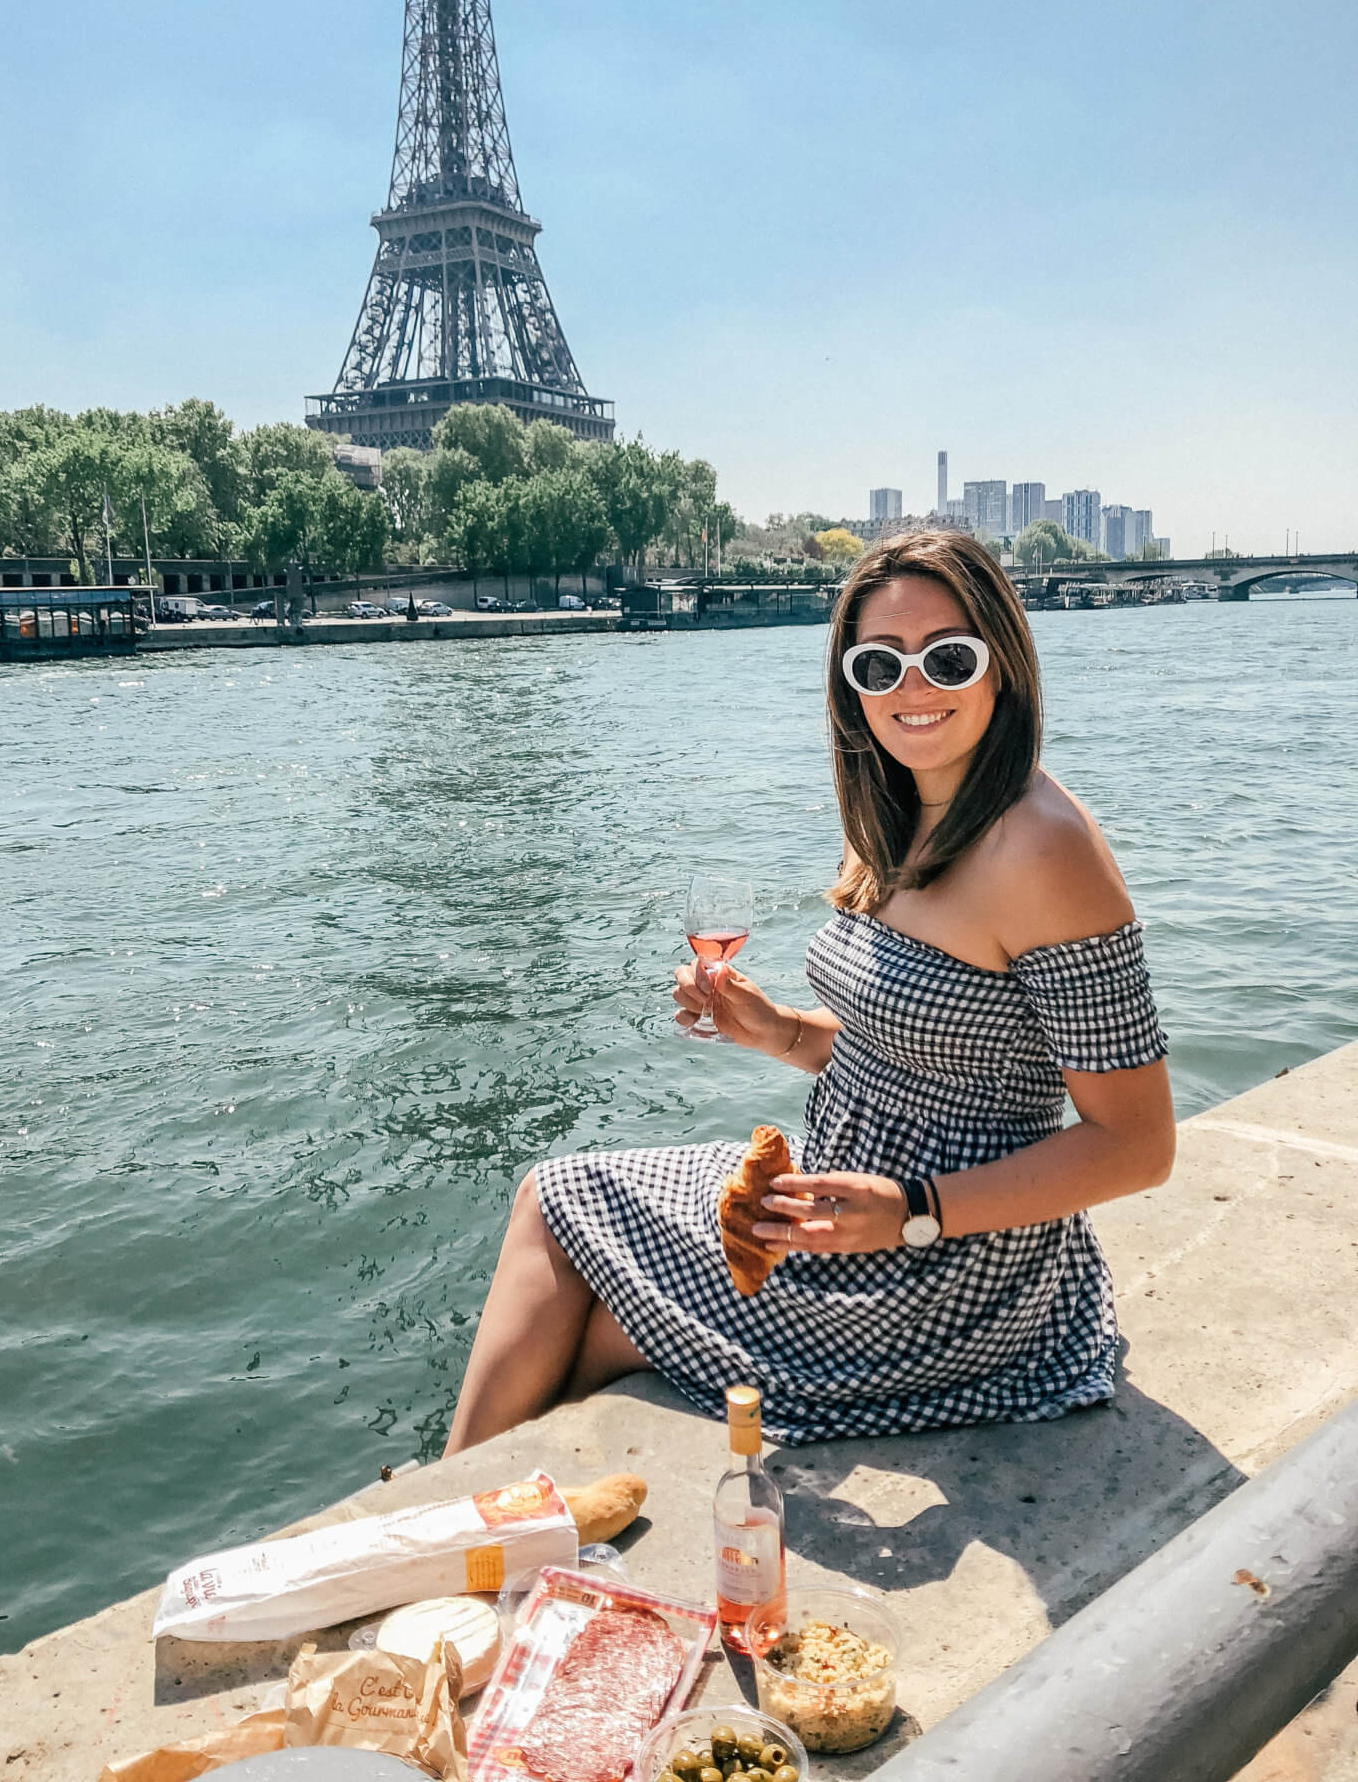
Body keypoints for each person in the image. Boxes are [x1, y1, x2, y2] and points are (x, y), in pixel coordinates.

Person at [444, 529, 1174, 1455]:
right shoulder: (899, 809)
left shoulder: (1043, 846)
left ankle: (450, 1528)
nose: (913, 689)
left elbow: (1139, 1147)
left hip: (947, 1261)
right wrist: (777, 1027)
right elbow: (922, 1047)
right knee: (556, 1212)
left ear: (1005, 667)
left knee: (572, 1260)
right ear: (850, 685)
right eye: (880, 664)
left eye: (948, 658)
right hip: (836, 1197)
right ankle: (486, 1529)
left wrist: (912, 1209)